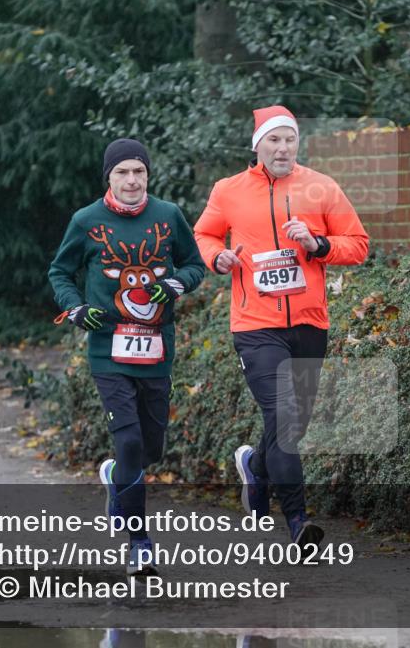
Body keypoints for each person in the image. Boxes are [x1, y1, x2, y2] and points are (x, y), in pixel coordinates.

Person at [194, 106, 369, 546]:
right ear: (258, 146)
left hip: (309, 323)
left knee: (294, 422)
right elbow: (204, 235)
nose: (283, 148)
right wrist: (217, 257)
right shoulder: (229, 190)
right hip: (255, 326)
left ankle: (255, 467)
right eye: (274, 140)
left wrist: (318, 244)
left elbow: (358, 245)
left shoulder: (321, 187)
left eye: (290, 139)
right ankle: (298, 522)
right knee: (285, 417)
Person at [49, 138, 205, 575]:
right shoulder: (86, 220)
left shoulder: (169, 215)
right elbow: (60, 271)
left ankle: (117, 476)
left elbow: (194, 265)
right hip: (108, 349)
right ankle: (140, 543)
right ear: (109, 177)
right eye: (122, 172)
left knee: (150, 449)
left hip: (157, 349)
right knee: (131, 441)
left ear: (148, 176)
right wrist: (75, 308)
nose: (132, 180)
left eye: (139, 171)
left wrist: (175, 284)